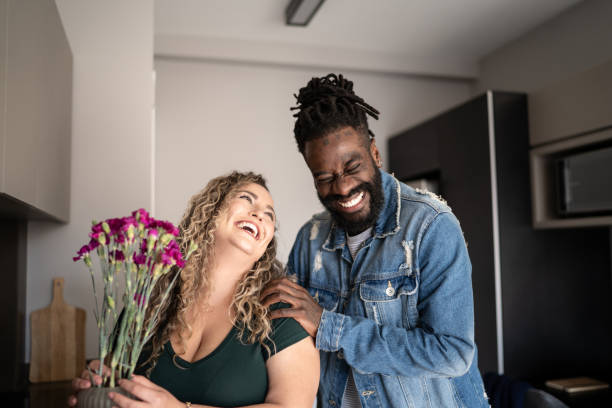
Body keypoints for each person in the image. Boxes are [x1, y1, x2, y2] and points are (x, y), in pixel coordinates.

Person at [261, 74, 490, 407]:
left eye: (353, 166)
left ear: (375, 154)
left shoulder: (431, 226)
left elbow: (452, 353)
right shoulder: (310, 240)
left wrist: (329, 326)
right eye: (324, 178)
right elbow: (290, 340)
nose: (341, 187)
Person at [69, 171, 319, 408]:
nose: (259, 214)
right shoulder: (148, 305)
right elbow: (117, 386)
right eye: (246, 199)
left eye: (269, 215)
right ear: (210, 211)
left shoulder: (278, 312)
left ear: (266, 245)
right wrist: (98, 388)